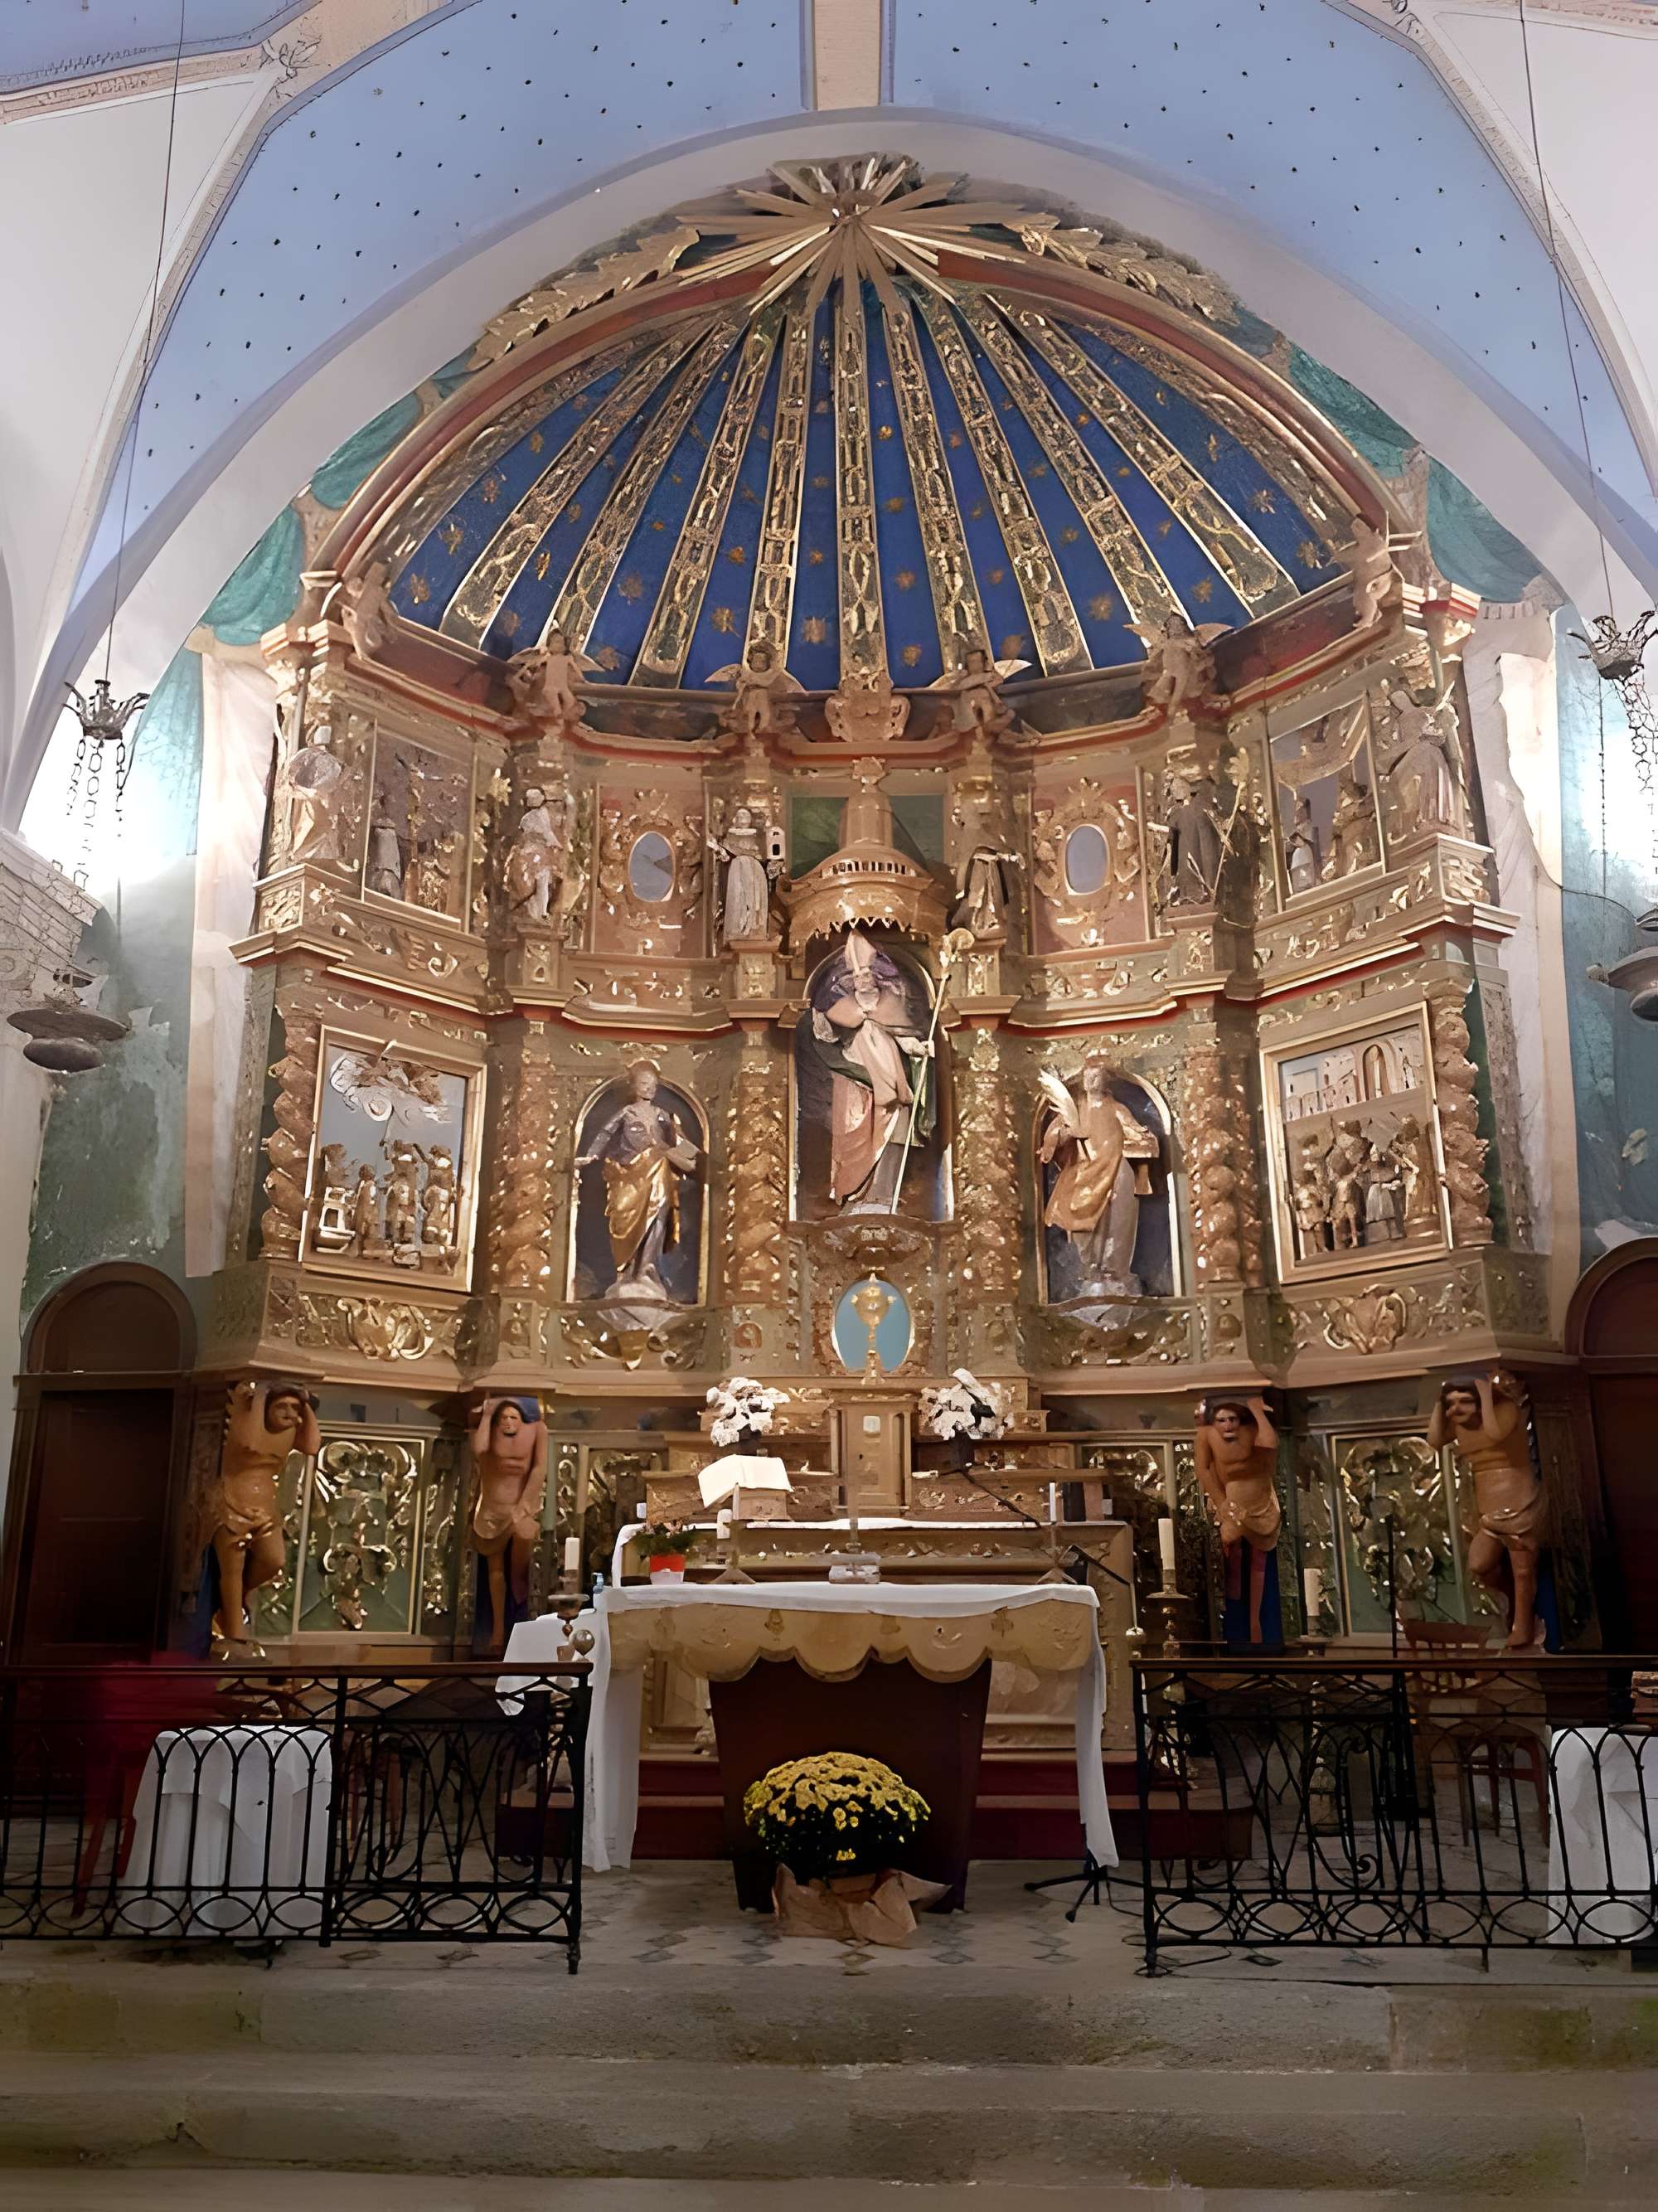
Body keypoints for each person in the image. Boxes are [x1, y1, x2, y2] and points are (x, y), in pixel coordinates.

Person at [804, 930, 933, 1212]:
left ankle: (883, 1193)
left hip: (892, 1084)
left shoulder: (890, 1007)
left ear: (877, 978)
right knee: (855, 1134)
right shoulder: (845, 1010)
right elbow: (825, 1034)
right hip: (856, 1081)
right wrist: (820, 1013)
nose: (863, 979)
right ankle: (857, 1196)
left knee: (895, 1133)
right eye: (858, 976)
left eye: (867, 974)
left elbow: (903, 1036)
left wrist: (920, 1049)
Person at [1429, 1374, 1547, 1649]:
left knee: (1522, 1571)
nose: (1456, 1409)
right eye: (1451, 1403)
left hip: (1518, 1500)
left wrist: (1486, 1395)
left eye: (1464, 1402)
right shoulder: (1459, 1425)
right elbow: (1434, 1440)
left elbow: (1495, 1435)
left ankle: (1523, 1627)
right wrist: (1438, 1403)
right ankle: (1518, 1611)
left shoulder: (1505, 1412)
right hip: (1488, 1510)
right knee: (1479, 1565)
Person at [574, 1061, 701, 1297]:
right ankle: (629, 1270)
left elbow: (678, 1141)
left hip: (659, 1170)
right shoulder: (626, 1113)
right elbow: (605, 1134)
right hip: (629, 1174)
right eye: (644, 1084)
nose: (649, 1089)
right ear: (634, 1086)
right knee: (626, 1219)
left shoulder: (663, 1115)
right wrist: (590, 1156)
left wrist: (685, 1153)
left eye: (653, 1085)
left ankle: (646, 1268)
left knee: (659, 1210)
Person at [210, 1380, 321, 1649]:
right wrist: (260, 1397)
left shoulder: (291, 1431)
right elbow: (251, 1444)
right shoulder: (247, 1427)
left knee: (274, 1560)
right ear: (265, 1408)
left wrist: (305, 1407)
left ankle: (232, 1604)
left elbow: (313, 1445)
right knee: (232, 1570)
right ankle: (235, 1633)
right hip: (233, 1499)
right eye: (282, 1406)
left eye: (294, 1408)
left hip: (265, 1506)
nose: (289, 1414)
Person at [1039, 1062, 1159, 1295]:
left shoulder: (1117, 1109)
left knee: (1117, 1222)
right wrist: (1066, 1134)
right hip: (1081, 1174)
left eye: (1097, 1076)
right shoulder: (1076, 1108)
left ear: (1106, 1081)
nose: (1091, 1080)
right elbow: (1052, 1138)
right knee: (1082, 1225)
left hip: (1114, 1170)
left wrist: (1146, 1137)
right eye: (1088, 1075)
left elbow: (1137, 1132)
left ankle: (1113, 1270)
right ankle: (1089, 1269)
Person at [1195, 1396, 1282, 1646]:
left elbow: (1269, 1445)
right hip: (1233, 1510)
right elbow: (1204, 1471)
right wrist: (1223, 1504)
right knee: (1234, 1570)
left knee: (1261, 1568)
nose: (1228, 1426)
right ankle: (1240, 1633)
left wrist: (1256, 1409)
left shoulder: (1252, 1432)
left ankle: (1263, 1631)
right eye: (1221, 1420)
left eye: (1232, 1419)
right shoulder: (1205, 1436)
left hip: (1263, 1507)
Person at [470, 1396, 547, 1654]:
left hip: (520, 1511)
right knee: (495, 1572)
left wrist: (525, 1505)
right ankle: (498, 1631)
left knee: (520, 1571)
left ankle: (521, 1625)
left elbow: (539, 1468)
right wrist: (485, 1415)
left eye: (513, 1417)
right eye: (503, 1418)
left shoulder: (537, 1430)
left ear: (522, 1418)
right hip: (491, 1511)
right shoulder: (488, 1434)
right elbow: (479, 1449)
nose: (508, 1422)